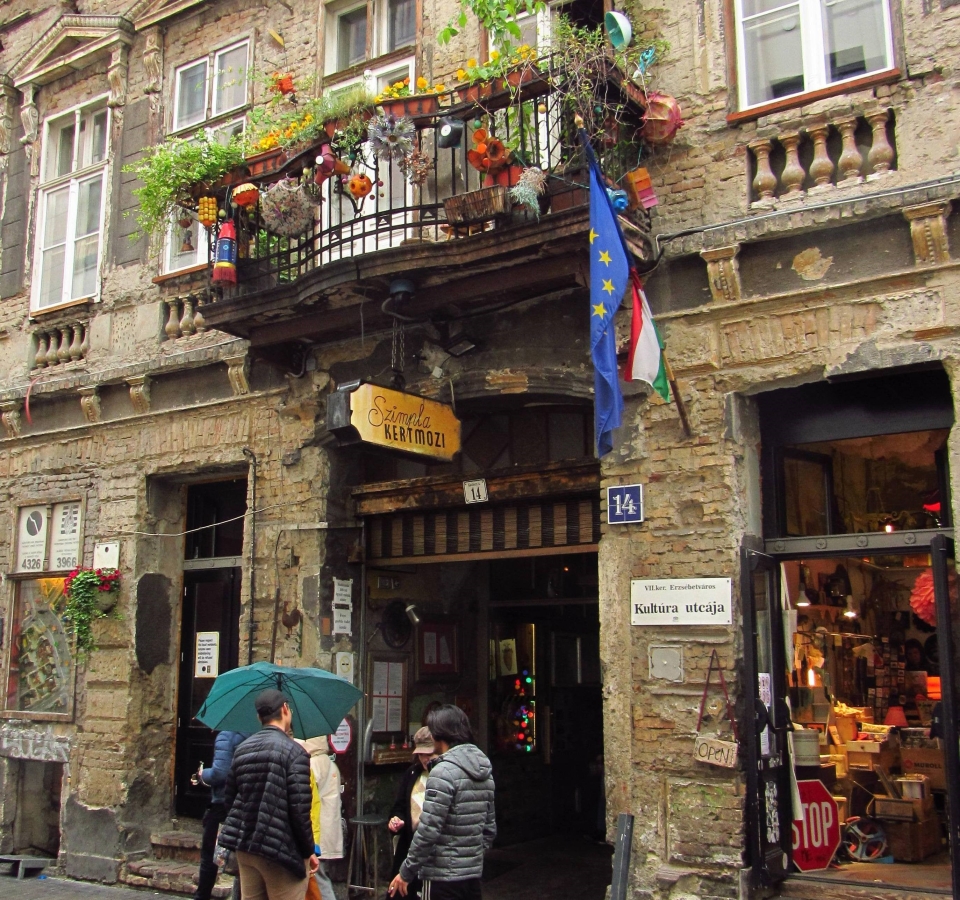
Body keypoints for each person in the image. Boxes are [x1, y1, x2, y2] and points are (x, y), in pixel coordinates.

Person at [219, 689, 319, 900]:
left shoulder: (242, 750)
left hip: (247, 848)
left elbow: (229, 799)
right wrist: (308, 850)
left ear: (259, 717)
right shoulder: (295, 753)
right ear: (285, 709)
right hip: (281, 850)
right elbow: (300, 810)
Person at [388, 705, 495, 900]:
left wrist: (406, 871)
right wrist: (470, 858)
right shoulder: (483, 770)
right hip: (472, 876)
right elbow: (489, 829)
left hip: (440, 877)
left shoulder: (442, 772)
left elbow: (428, 830)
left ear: (439, 734)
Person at [192, 730, 250, 900]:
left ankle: (202, 896)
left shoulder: (227, 735)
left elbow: (220, 773)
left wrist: (203, 774)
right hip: (247, 801)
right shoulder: (255, 733)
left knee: (211, 855)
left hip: (222, 803)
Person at [387, 727, 439, 900]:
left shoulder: (444, 777)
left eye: (429, 754)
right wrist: (396, 820)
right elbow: (399, 806)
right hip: (409, 848)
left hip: (434, 853)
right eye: (421, 754)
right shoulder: (411, 774)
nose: (425, 759)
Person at [295, 736, 343, 900]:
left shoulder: (312, 765)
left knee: (319, 881)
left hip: (317, 835)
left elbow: (304, 800)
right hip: (328, 833)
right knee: (320, 877)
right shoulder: (330, 763)